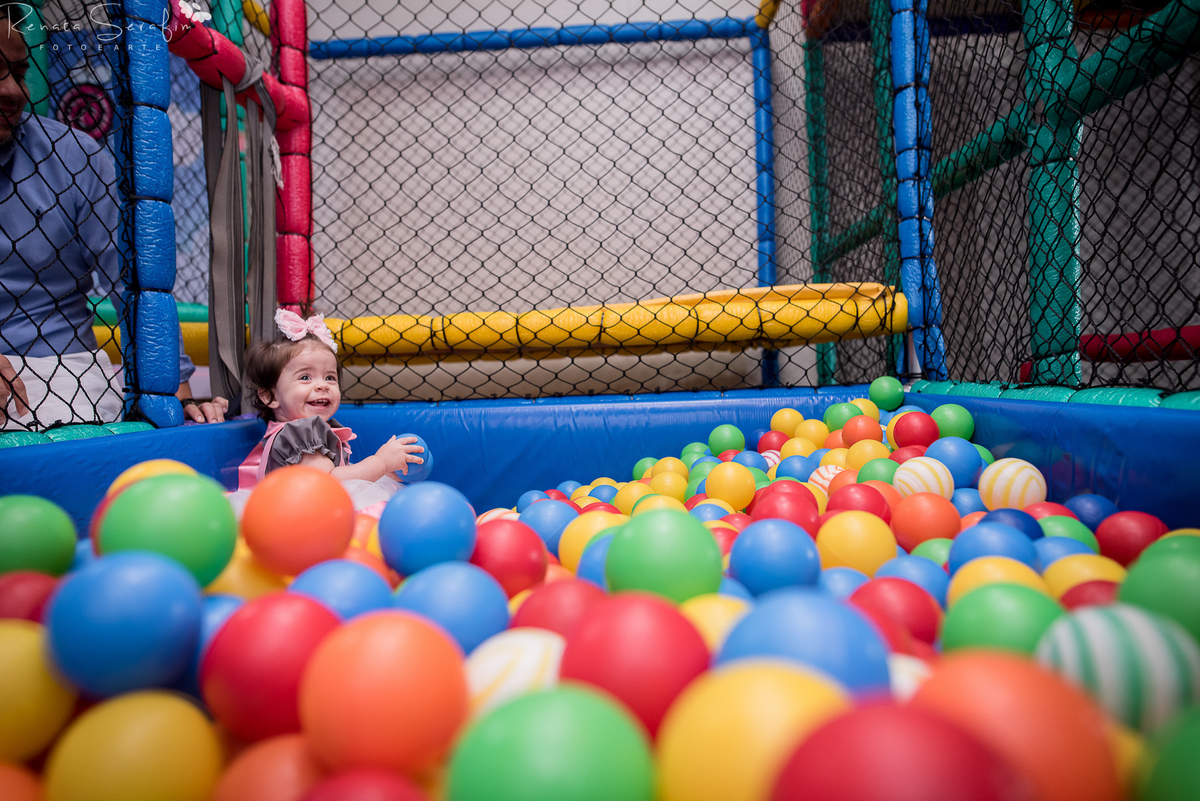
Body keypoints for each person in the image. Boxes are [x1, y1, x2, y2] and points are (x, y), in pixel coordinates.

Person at [0, 8, 226, 429]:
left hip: (56, 369)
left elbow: (133, 282)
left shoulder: (72, 156)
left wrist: (174, 395)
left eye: (19, 72)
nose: (13, 90)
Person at [234, 309, 424, 512]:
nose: (322, 385)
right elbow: (329, 482)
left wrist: (381, 474)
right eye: (305, 377)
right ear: (270, 397)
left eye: (330, 377)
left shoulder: (309, 430)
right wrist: (381, 463)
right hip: (302, 517)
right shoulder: (299, 434)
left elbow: (340, 475)